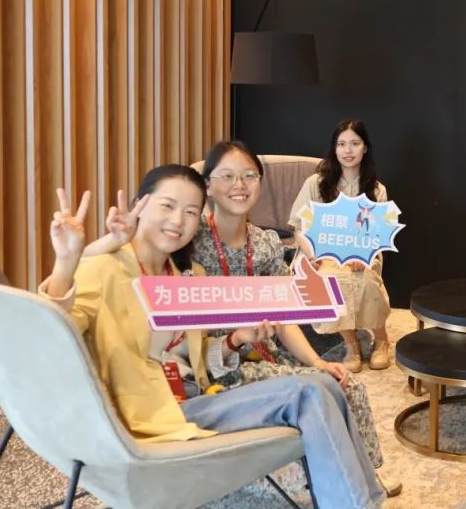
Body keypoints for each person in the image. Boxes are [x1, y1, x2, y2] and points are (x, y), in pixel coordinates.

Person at [41, 165, 384, 509]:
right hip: (147, 414)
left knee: (323, 384)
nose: (178, 220)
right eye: (167, 206)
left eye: (191, 212)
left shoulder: (187, 278)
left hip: (196, 398)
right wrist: (67, 261)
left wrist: (237, 339)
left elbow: (197, 359)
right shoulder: (103, 267)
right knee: (307, 392)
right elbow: (52, 333)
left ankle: (366, 501)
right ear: (138, 206)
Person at [290, 119, 392, 372]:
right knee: (330, 279)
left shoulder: (377, 190)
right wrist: (314, 255)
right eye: (341, 144)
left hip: (362, 254)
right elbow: (299, 228)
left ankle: (381, 340)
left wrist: (362, 255)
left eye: (354, 143)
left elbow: (377, 235)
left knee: (365, 279)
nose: (348, 150)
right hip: (319, 253)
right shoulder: (316, 183)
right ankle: (351, 344)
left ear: (365, 148)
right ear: (334, 149)